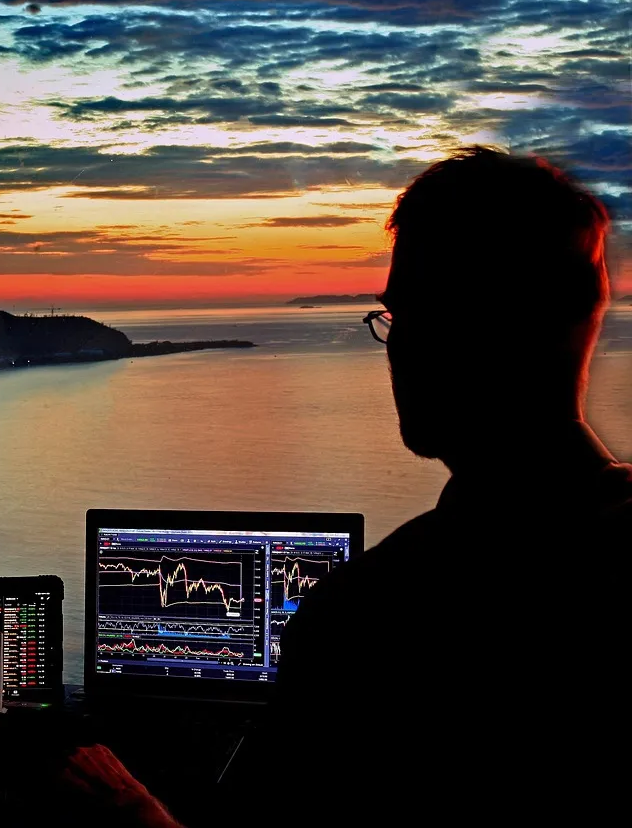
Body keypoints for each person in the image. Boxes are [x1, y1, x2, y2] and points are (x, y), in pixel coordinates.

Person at [63, 147, 630, 804]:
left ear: (464, 327)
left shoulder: (374, 616)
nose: (397, 346)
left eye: (405, 314)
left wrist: (121, 802)